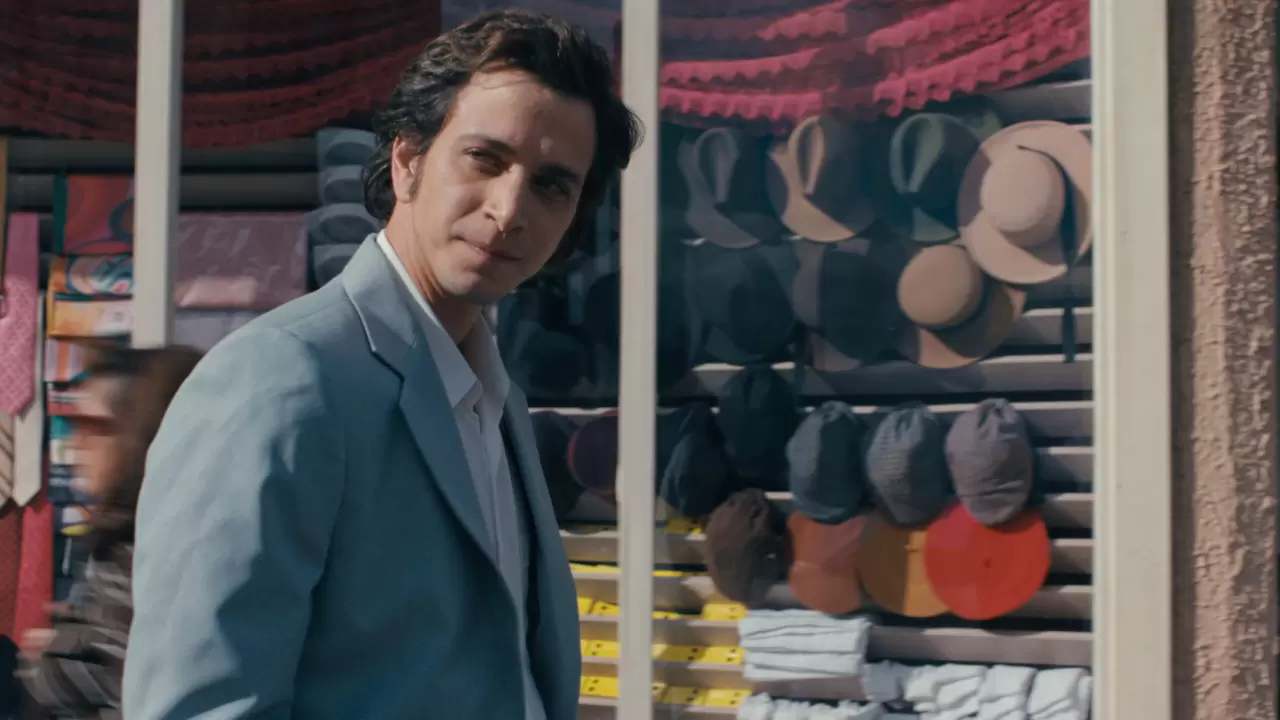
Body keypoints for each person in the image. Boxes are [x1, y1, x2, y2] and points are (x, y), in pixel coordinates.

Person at [122, 10, 641, 720]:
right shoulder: (282, 378)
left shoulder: (495, 397)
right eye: (484, 159)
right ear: (407, 161)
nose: (509, 209)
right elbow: (201, 706)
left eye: (551, 185)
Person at [15, 345, 203, 720]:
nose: (76, 441)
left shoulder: (141, 563)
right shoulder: (118, 547)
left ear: (139, 434)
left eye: (93, 426)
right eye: (73, 424)